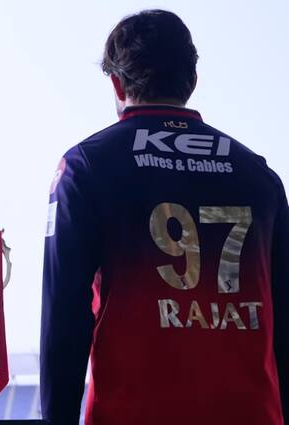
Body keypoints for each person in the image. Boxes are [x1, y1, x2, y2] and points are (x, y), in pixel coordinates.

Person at [40, 9, 288, 425]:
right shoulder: (260, 176)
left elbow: (64, 317)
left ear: (117, 84)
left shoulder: (88, 166)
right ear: (192, 80)